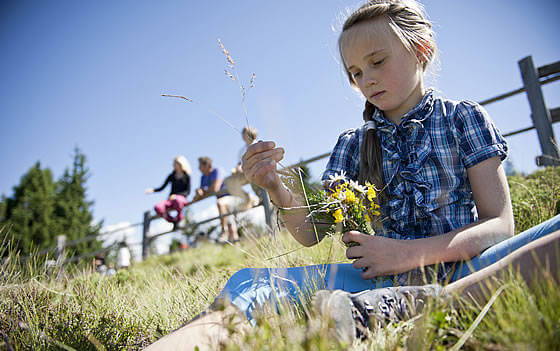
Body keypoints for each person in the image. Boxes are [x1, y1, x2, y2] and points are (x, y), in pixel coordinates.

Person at [145, 1, 560, 349]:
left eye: (377, 61)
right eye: (355, 73)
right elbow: (311, 231)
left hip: (471, 266)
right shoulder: (352, 143)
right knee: (249, 284)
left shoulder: (463, 118)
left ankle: (418, 304)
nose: (366, 79)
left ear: (421, 50)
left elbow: (500, 226)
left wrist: (405, 254)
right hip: (369, 279)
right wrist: (277, 187)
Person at [193, 156, 239, 243]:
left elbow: (215, 188)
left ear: (207, 165)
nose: (198, 168)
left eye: (200, 166)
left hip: (231, 196)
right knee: (230, 220)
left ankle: (224, 231)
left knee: (221, 205)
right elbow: (203, 193)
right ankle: (234, 242)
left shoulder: (217, 171)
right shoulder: (203, 177)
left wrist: (204, 191)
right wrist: (199, 192)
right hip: (222, 199)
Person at [145, 156, 192, 228]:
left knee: (177, 200)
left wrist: (176, 195)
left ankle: (179, 219)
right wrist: (153, 190)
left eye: (175, 163)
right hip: (171, 199)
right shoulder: (171, 176)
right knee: (158, 207)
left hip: (181, 199)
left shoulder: (187, 176)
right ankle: (173, 221)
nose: (173, 165)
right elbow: (162, 187)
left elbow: (187, 192)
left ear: (180, 164)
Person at [224, 126, 261, 210]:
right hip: (245, 174)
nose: (243, 135)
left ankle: (262, 198)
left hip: (257, 172)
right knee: (228, 181)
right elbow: (239, 164)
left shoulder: (258, 144)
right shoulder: (242, 150)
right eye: (243, 134)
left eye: (245, 133)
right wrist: (236, 169)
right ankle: (247, 198)